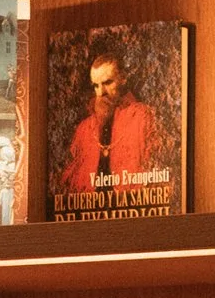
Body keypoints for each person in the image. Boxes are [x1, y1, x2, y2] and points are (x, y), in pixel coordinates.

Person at [58, 37, 160, 197]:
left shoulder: (142, 117)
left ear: (123, 79)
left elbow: (156, 171)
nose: (100, 92)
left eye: (107, 82)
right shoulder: (84, 129)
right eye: (96, 85)